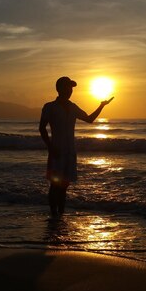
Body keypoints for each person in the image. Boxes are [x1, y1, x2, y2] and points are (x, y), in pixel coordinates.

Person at [39, 76, 113, 217]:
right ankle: (53, 214)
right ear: (60, 88)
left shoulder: (73, 107)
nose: (70, 90)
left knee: (64, 185)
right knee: (55, 185)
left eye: (71, 88)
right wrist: (50, 146)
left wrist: (101, 105)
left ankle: (60, 214)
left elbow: (89, 119)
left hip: (70, 151)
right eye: (68, 87)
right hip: (57, 151)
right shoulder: (50, 107)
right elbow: (42, 128)